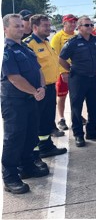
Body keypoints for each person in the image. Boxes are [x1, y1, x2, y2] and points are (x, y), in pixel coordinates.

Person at [2, 14, 49, 194]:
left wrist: (42, 87)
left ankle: (27, 166)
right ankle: (10, 177)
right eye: (16, 26)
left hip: (31, 99)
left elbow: (38, 70)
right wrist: (35, 91)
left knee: (30, 135)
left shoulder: (26, 48)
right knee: (14, 138)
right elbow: (14, 78)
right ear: (5, 29)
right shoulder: (6, 49)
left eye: (22, 26)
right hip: (14, 102)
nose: (21, 29)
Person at [23, 15, 68, 158]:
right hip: (37, 89)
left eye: (49, 25)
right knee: (36, 121)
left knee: (46, 119)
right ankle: (33, 153)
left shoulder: (46, 42)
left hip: (49, 87)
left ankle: (46, 146)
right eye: (45, 26)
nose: (49, 28)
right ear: (35, 27)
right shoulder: (28, 44)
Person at [59, 16, 96, 147]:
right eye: (87, 25)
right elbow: (61, 58)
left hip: (92, 78)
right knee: (76, 108)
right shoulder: (73, 42)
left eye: (91, 25)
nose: (90, 27)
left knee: (95, 107)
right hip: (78, 79)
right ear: (79, 27)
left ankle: (91, 131)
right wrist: (70, 69)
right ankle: (78, 135)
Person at [51, 14, 77, 132]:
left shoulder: (77, 35)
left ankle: (76, 115)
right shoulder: (58, 37)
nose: (73, 24)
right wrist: (63, 72)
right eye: (70, 22)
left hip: (77, 71)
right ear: (64, 23)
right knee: (62, 96)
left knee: (76, 95)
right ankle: (61, 118)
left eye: (74, 22)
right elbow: (55, 56)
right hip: (64, 72)